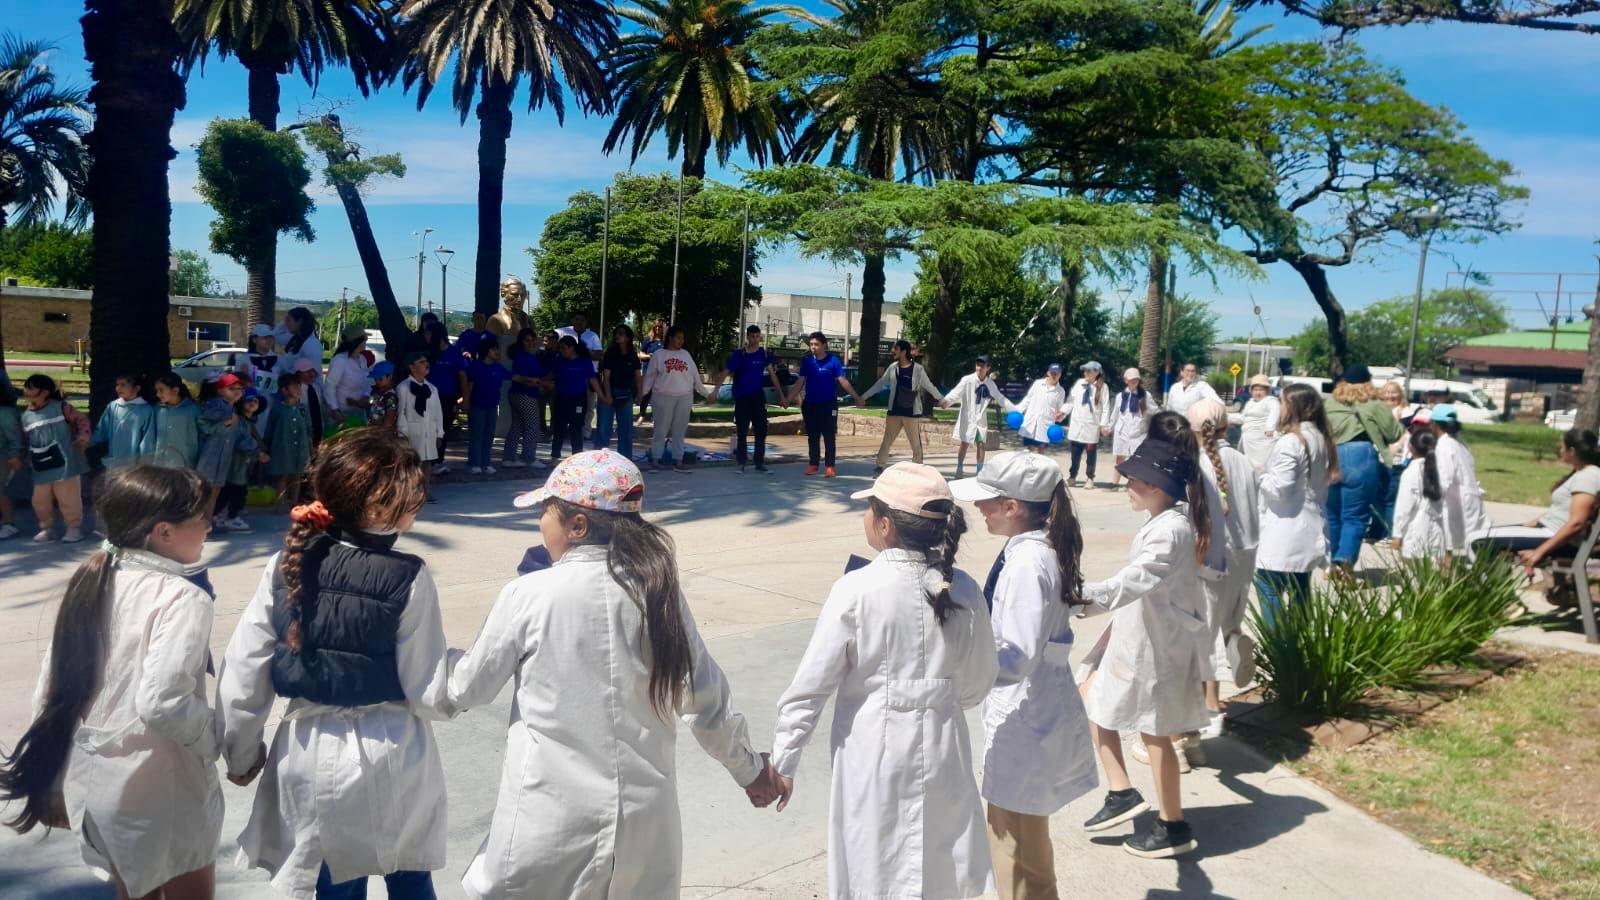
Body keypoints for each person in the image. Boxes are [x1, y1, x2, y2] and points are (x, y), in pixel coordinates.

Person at [447, 450, 785, 897]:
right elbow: (707, 704)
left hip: (550, 825)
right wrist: (750, 771)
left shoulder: (528, 594)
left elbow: (466, 687)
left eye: (546, 512)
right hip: (644, 831)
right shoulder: (660, 595)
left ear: (577, 525)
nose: (540, 524)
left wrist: (428, 664)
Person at [217, 429, 454, 899]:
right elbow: (428, 688)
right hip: (393, 748)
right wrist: (468, 672)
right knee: (409, 876)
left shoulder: (288, 561)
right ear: (380, 506)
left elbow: (244, 668)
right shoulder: (408, 576)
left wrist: (241, 752)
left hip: (308, 750)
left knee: (332, 883)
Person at [771, 463, 997, 899]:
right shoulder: (965, 589)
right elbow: (978, 681)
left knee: (873, 863)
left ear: (886, 525)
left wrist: (782, 763)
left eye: (870, 510)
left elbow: (810, 688)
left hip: (872, 751)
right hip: (944, 745)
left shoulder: (858, 589)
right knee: (944, 863)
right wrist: (940, 701)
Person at [0, 465, 219, 900]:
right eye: (199, 518)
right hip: (166, 783)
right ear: (164, 532)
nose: (209, 525)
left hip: (99, 787)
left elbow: (51, 690)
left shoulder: (95, 579)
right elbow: (163, 702)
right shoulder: (182, 596)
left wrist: (58, 777)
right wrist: (216, 740)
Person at [950, 453, 1098, 899]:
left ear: (1013, 506)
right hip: (1027, 719)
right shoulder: (1031, 550)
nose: (979, 509)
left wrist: (957, 671)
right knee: (1024, 844)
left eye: (987, 502)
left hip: (1026, 719)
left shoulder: (1028, 563)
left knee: (1013, 848)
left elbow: (1016, 656)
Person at [1078, 436, 1212, 859]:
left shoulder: (1170, 529)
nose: (1125, 484)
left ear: (1155, 485)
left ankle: (1172, 823)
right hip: (1142, 636)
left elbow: (1138, 578)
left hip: (1157, 645)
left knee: (1155, 732)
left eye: (1132, 479)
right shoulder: (1167, 518)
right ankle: (1122, 791)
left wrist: (1084, 595)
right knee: (1096, 701)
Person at [1187, 399, 1261, 735]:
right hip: (1244, 556)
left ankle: (1210, 705)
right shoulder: (1244, 461)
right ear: (1227, 426)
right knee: (1228, 623)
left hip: (1211, 561)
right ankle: (1235, 640)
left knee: (1203, 636)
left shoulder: (1197, 465)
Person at [1255, 383, 1338, 619]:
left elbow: (1280, 488)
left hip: (1286, 529)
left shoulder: (1291, 442)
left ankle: (1278, 647)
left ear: (1294, 407)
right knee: (1300, 589)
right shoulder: (1322, 438)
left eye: (1282, 402)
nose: (1279, 408)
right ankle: (1299, 644)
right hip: (1310, 528)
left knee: (1268, 586)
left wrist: (1260, 476)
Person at [1469, 428, 1600, 577]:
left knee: (1477, 540)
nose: (1560, 450)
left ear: (1572, 451)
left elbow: (1576, 523)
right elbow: (1564, 509)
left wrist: (1539, 551)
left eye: (1562, 446)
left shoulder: (1588, 476)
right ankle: (1497, 591)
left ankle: (1486, 593)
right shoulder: (1582, 473)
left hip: (1555, 537)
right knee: (1481, 535)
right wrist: (1535, 521)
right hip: (1547, 530)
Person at [1321, 365, 1402, 573]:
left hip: (1330, 456)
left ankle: (1332, 563)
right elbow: (1393, 434)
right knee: (1355, 516)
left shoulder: (1330, 402)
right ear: (1368, 381)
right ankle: (1344, 562)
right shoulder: (1374, 403)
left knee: (1333, 514)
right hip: (1360, 455)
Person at [21, 374, 91, 543]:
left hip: (66, 463)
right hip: (40, 464)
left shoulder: (62, 407)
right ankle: (47, 527)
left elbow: (82, 419)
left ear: (45, 392)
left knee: (68, 496)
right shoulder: (26, 416)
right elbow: (25, 438)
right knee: (40, 499)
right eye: (26, 391)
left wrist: (83, 436)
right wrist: (23, 456)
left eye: (32, 391)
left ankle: (73, 527)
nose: (28, 395)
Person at [787, 331, 864, 477]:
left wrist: (856, 397)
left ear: (824, 345)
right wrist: (788, 399)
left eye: (816, 344)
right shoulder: (808, 362)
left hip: (829, 405)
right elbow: (799, 383)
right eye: (811, 344)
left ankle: (830, 466)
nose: (813, 347)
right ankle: (813, 464)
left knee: (829, 435)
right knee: (813, 436)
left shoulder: (833, 361)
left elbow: (843, 381)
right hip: (810, 405)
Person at [711, 324, 785, 474]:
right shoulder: (740, 354)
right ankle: (742, 463)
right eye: (752, 336)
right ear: (747, 337)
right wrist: (715, 390)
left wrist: (782, 396)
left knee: (761, 431)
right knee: (742, 431)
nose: (755, 339)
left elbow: (772, 375)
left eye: (757, 336)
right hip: (742, 398)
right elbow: (726, 371)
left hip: (758, 398)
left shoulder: (763, 354)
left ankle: (759, 463)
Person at [865, 339, 943, 475]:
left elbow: (929, 385)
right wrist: (864, 397)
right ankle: (880, 466)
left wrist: (941, 399)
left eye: (896, 349)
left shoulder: (918, 369)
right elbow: (880, 383)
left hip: (911, 412)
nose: (894, 351)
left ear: (904, 351)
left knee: (915, 444)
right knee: (887, 440)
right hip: (894, 411)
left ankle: (918, 468)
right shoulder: (893, 367)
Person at [642, 325, 712, 473]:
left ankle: (678, 460)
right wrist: (642, 393)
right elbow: (650, 377)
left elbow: (695, 378)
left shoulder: (686, 355)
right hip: (663, 396)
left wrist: (706, 394)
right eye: (678, 337)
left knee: (679, 430)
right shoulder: (659, 355)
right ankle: (656, 460)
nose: (681, 340)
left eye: (682, 338)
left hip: (684, 396)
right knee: (661, 429)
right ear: (670, 338)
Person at [940, 355, 1016, 478]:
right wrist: (946, 401)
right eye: (978, 365)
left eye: (982, 365)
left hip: (980, 418)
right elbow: (956, 392)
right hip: (968, 416)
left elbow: (1000, 397)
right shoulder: (967, 380)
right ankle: (959, 467)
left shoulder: (990, 383)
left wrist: (1013, 409)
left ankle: (979, 472)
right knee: (964, 443)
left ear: (988, 368)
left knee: (981, 444)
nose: (979, 367)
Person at [1431, 405, 1490, 554]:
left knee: (1446, 546)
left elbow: (1445, 477)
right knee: (1472, 542)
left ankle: (1445, 575)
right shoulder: (1460, 442)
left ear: (1434, 424)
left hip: (1457, 501)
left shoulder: (1443, 445)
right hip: (1471, 497)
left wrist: (1433, 502)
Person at [216, 389, 269, 533]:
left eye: (255, 401)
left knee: (230, 490)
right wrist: (258, 453)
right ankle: (231, 517)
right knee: (237, 491)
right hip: (235, 462)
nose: (253, 403)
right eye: (249, 400)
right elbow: (242, 442)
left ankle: (221, 515)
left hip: (241, 462)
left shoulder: (247, 421)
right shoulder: (239, 421)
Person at [1392, 431, 1448, 561]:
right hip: (1439, 533)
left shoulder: (1411, 473)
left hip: (1416, 533)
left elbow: (1404, 506)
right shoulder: (1443, 469)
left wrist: (1397, 534)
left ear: (1411, 448)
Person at [397, 352, 444, 503]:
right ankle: (410, 492)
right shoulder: (403, 387)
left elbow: (438, 412)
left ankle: (425, 490)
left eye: (426, 361)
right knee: (412, 462)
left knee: (427, 461)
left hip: (429, 431)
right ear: (412, 367)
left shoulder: (432, 388)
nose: (426, 364)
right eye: (421, 362)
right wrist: (402, 433)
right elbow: (401, 412)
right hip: (413, 431)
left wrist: (439, 433)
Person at [423, 321, 467, 470]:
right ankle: (428, 460)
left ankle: (438, 461)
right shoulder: (427, 353)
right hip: (427, 398)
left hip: (447, 398)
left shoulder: (454, 353)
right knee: (428, 430)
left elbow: (462, 376)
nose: (426, 336)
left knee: (443, 430)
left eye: (428, 333)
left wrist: (465, 398)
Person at [596, 324, 643, 460]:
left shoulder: (632, 355)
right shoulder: (610, 352)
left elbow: (638, 376)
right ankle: (600, 459)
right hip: (610, 392)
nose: (618, 335)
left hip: (626, 393)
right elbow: (606, 376)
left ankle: (625, 459)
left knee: (626, 429)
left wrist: (640, 393)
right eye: (616, 333)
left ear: (628, 337)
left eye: (621, 333)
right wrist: (607, 395)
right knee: (604, 428)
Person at [549, 335, 598, 464]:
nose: (562, 351)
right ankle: (555, 456)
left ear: (572, 348)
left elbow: (592, 379)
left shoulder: (584, 361)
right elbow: (553, 377)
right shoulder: (559, 360)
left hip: (579, 399)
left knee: (576, 428)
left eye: (564, 348)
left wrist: (602, 395)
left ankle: (577, 456)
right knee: (559, 427)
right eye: (560, 348)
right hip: (562, 398)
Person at [464, 342, 511, 475]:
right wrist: (466, 401)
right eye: (494, 348)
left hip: (492, 405)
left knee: (489, 435)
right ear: (486, 351)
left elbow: (512, 376)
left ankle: (486, 462)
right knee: (477, 435)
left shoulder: (498, 367)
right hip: (477, 405)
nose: (497, 351)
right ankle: (474, 463)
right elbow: (470, 385)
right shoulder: (475, 366)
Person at [503, 328, 548, 469]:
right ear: (521, 342)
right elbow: (521, 378)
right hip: (525, 395)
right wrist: (536, 382)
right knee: (533, 427)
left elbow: (541, 373)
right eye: (527, 340)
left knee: (517, 426)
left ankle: (509, 458)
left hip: (518, 394)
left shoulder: (528, 356)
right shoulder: (522, 357)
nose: (531, 343)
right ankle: (528, 457)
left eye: (533, 340)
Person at [267, 377, 314, 509]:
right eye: (294, 387)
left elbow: (308, 428)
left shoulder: (302, 409)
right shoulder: (278, 409)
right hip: (283, 446)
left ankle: (294, 502)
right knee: (283, 475)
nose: (298, 390)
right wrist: (266, 446)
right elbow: (270, 428)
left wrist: (311, 447)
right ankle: (279, 502)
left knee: (297, 475)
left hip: (301, 446)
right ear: (285, 390)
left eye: (299, 387)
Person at [1065, 361, 1113, 488]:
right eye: (1085, 370)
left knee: (1091, 455)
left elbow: (1106, 407)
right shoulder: (1079, 383)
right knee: (1075, 455)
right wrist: (1062, 412)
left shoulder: (1103, 387)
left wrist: (1103, 425)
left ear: (1097, 372)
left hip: (1092, 426)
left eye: (1089, 370)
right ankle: (1072, 476)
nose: (1085, 372)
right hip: (1077, 424)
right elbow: (1071, 401)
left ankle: (1090, 477)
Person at [92, 373, 156, 469]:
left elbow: (148, 441)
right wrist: (88, 442)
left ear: (137, 388)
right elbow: (101, 431)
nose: (118, 388)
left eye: (123, 385)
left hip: (134, 465)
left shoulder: (146, 410)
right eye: (117, 385)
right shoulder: (113, 406)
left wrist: (145, 463)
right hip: (112, 462)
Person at [556, 311, 604, 438]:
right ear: (573, 320)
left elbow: (599, 355)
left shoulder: (592, 336)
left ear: (586, 322)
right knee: (565, 406)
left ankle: (585, 431)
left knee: (589, 405)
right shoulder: (563, 332)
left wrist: (583, 351)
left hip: (588, 374)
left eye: (582, 320)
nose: (579, 322)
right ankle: (564, 431)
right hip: (568, 375)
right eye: (577, 319)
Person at [1111, 368, 1159, 491]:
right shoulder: (1120, 396)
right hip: (1121, 431)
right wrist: (1109, 426)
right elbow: (1115, 414)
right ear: (1126, 380)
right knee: (1119, 457)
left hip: (1138, 432)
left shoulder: (1145, 395)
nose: (1133, 382)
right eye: (1131, 380)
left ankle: (1130, 483)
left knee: (1135, 458)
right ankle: (1114, 483)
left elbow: (1155, 411)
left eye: (1136, 380)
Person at [325, 325, 373, 428]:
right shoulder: (340, 360)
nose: (366, 341)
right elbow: (329, 387)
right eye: (365, 338)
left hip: (359, 414)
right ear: (357, 341)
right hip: (340, 416)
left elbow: (367, 381)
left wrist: (365, 397)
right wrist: (335, 411)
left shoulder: (363, 359)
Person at [1015, 364, 1070, 452]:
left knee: (1041, 450)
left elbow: (1060, 409)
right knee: (1029, 450)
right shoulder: (1037, 384)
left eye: (1057, 373)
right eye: (1053, 373)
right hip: (1031, 422)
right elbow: (1028, 399)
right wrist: (1017, 410)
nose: (1055, 376)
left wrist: (1060, 415)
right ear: (1048, 373)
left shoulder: (1060, 391)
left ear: (1060, 374)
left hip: (1045, 424)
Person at [151, 373, 201, 469]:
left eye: (161, 390)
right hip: (160, 464)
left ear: (175, 390)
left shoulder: (194, 410)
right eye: (156, 391)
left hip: (185, 465)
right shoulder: (156, 409)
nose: (157, 394)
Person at [1232, 374, 1280, 472]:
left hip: (1262, 441)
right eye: (1255, 390)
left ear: (1267, 390)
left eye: (1261, 390)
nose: (1258, 392)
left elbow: (1274, 412)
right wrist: (1226, 417)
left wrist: (1270, 428)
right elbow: (1242, 418)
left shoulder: (1270, 401)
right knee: (1248, 467)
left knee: (1262, 468)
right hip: (1248, 441)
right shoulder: (1250, 403)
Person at [273, 307, 323, 391]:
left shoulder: (311, 343)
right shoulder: (294, 339)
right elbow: (275, 335)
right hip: (293, 389)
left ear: (299, 321)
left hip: (306, 391)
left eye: (289, 320)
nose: (287, 324)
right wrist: (284, 322)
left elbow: (313, 372)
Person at [0, 378, 21, 539]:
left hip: (3, 456)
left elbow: (14, 437)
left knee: (2, 492)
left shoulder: (5, 412)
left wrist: (14, 455)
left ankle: (9, 523)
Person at [367, 360, 400, 430]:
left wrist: (381, 434)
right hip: (372, 430)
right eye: (375, 379)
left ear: (390, 377)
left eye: (380, 379)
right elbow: (370, 402)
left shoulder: (391, 397)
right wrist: (356, 403)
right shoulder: (376, 392)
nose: (377, 381)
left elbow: (390, 418)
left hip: (382, 434)